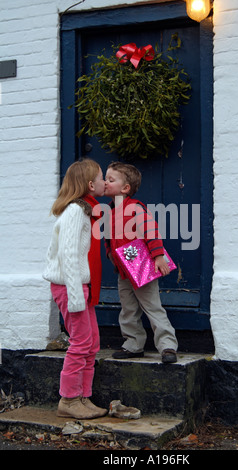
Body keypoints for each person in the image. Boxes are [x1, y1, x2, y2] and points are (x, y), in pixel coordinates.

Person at [43, 158, 108, 419]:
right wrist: (75, 297)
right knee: (80, 343)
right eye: (103, 177)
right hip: (71, 288)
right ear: (91, 184)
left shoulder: (86, 210)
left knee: (92, 343)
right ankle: (68, 400)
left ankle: (83, 396)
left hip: (82, 287)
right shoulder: (74, 212)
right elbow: (69, 255)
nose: (105, 182)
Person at [104, 161, 178, 363]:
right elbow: (109, 239)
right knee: (128, 309)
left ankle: (167, 345)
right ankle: (133, 344)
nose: (105, 182)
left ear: (125, 188)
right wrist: (110, 255)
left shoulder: (134, 208)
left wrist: (158, 256)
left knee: (152, 307)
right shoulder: (109, 212)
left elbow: (150, 231)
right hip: (124, 272)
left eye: (110, 179)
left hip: (141, 268)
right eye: (105, 179)